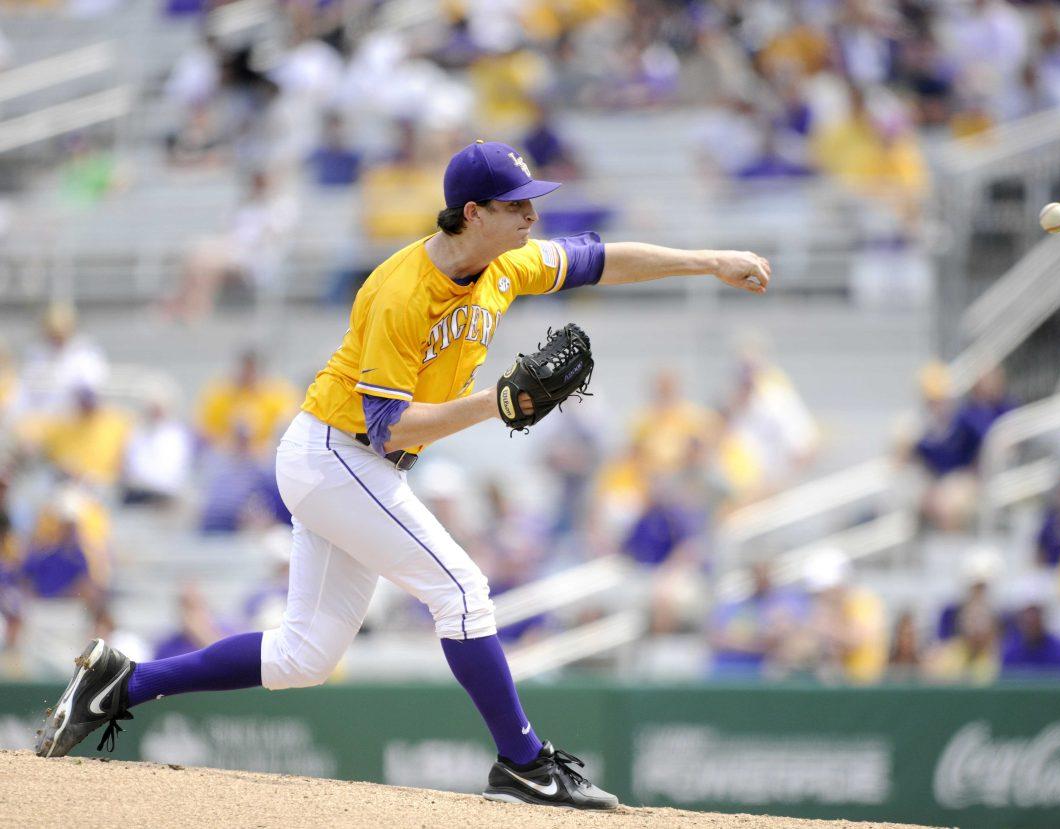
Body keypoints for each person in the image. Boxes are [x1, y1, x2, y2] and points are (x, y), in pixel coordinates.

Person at [36, 139, 771, 809]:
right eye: (516, 205)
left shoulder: (504, 264)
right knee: (462, 591)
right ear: (473, 212)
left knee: (303, 655)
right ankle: (524, 760)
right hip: (336, 453)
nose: (529, 216)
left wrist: (708, 260)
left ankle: (124, 680)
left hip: (349, 462)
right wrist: (500, 402)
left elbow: (600, 258)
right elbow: (391, 426)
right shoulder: (401, 291)